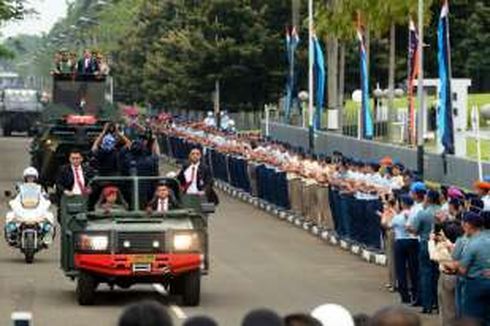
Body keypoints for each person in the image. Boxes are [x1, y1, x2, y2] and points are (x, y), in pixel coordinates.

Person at [446, 212, 490, 324]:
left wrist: (453, 266)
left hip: (475, 284)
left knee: (472, 319)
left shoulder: (472, 243)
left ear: (468, 225)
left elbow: (463, 270)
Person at [407, 189, 440, 314]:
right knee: (437, 274)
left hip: (426, 243)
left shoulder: (423, 213)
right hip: (440, 245)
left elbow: (414, 230)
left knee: (426, 274)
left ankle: (427, 305)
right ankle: (437, 303)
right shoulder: (443, 211)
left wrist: (409, 228)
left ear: (429, 198)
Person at [390, 195, 419, 304]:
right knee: (414, 269)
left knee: (401, 269)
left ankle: (405, 296)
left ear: (402, 204)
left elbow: (389, 225)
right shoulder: (415, 214)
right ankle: (415, 294)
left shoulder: (398, 216)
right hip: (413, 242)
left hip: (400, 241)